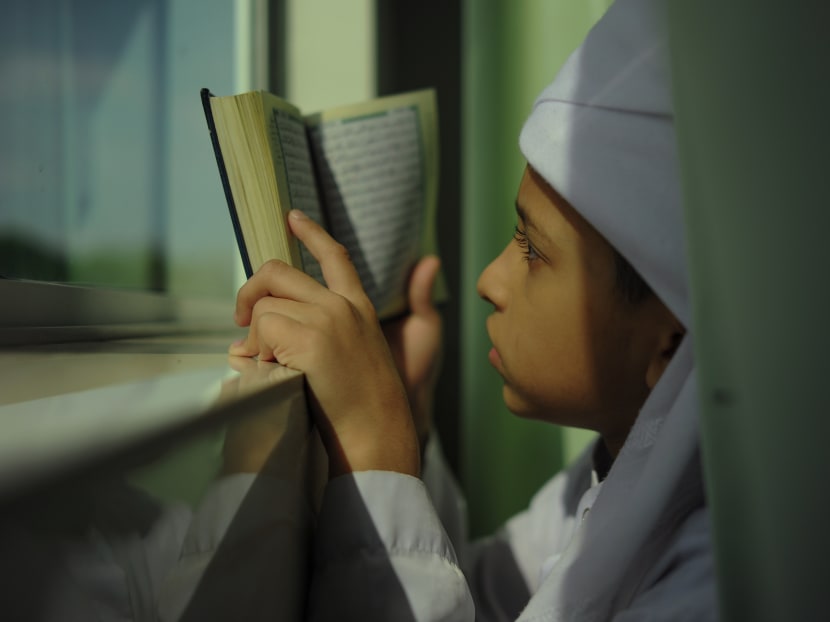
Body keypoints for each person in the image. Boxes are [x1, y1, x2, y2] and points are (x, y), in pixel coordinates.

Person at [229, 0, 718, 619]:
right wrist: (402, 406)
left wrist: (373, 446)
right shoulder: (606, 485)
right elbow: (481, 594)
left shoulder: (716, 587)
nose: (489, 280)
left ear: (668, 342)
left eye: (533, 251)